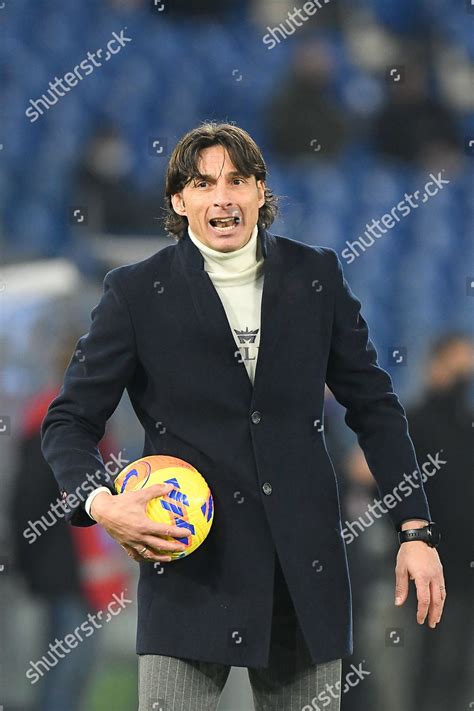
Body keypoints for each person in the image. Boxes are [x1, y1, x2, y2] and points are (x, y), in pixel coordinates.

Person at [41, 122, 446, 711]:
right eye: (203, 184)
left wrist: (415, 528)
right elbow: (69, 421)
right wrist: (102, 503)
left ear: (261, 191)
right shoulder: (134, 292)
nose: (222, 196)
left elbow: (375, 408)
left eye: (237, 180)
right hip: (186, 568)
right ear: (180, 202)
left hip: (301, 574)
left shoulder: (316, 277)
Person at [405, 333, 473, 711]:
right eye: (457, 364)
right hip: (427, 567)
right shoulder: (412, 423)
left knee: (460, 667)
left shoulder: (468, 424)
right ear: (436, 365)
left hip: (467, 565)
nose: (465, 373)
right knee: (425, 664)